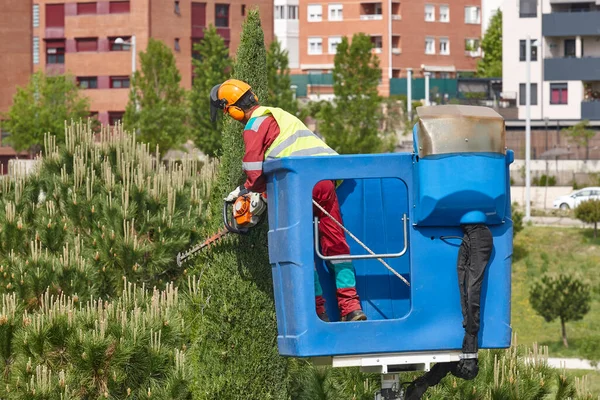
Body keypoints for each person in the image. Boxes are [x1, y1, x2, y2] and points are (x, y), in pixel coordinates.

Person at [210, 78, 367, 322]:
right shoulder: (281, 115)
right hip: (324, 183)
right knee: (337, 245)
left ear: (233, 109)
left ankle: (318, 311)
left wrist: (247, 191)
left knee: (301, 247)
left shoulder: (254, 125)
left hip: (297, 188)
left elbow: (253, 170)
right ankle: (352, 308)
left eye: (227, 111)